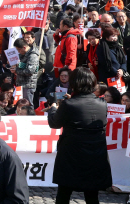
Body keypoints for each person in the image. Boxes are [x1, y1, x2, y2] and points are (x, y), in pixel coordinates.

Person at [47, 68, 112, 204]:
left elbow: (54, 123)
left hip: (71, 155)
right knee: (92, 196)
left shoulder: (68, 104)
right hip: (95, 155)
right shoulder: (102, 104)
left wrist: (53, 106)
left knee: (63, 194)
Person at [11, 38, 39, 104]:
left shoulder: (33, 56)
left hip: (28, 85)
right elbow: (22, 65)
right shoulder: (23, 55)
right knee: (21, 105)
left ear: (24, 47)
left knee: (28, 105)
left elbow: (30, 71)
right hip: (21, 83)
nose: (18, 51)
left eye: (19, 49)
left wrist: (16, 70)